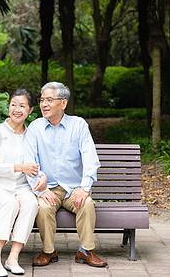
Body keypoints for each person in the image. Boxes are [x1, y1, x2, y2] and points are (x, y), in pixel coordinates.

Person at [23, 82, 108, 268]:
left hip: (72, 189)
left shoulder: (78, 125)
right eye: (42, 100)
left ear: (63, 103)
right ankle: (48, 251)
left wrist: (84, 188)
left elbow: (90, 160)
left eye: (49, 100)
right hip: (48, 187)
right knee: (44, 208)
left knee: (86, 204)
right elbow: (30, 163)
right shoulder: (35, 128)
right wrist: (40, 190)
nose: (44, 104)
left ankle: (85, 251)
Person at [0, 89, 47, 277]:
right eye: (13, 105)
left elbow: (36, 164)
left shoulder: (31, 136)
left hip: (21, 187)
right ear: (8, 106)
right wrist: (18, 167)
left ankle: (13, 257)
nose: (17, 109)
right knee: (9, 204)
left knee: (31, 203)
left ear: (30, 110)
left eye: (22, 106)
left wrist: (42, 176)